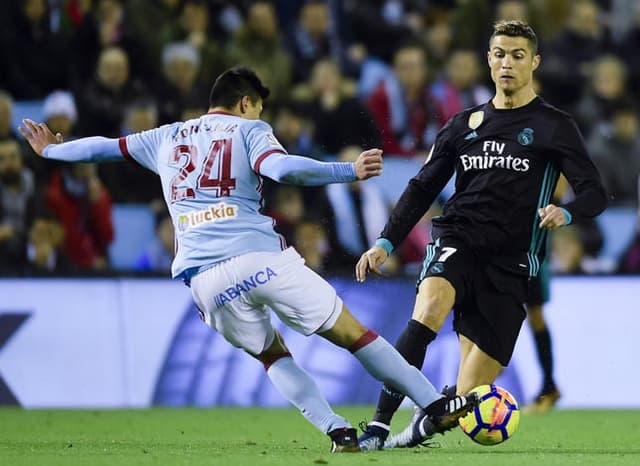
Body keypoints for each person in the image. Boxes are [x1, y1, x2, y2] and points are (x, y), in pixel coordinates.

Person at [19, 66, 477, 453]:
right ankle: (434, 404)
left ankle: (335, 429)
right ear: (244, 103)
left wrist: (52, 149)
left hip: (204, 282)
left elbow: (103, 147)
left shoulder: (165, 136)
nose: (260, 114)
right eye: (258, 106)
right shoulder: (250, 129)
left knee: (271, 355)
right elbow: (281, 169)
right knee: (354, 336)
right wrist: (346, 171)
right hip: (259, 258)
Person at [356, 20, 607, 451]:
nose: (506, 63)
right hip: (459, 238)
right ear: (489, 61)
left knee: (468, 398)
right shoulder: (461, 125)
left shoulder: (554, 126)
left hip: (511, 265)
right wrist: (385, 242)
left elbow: (595, 193)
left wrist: (566, 214)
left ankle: (419, 427)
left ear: (534, 62)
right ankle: (378, 427)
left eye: (517, 55)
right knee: (429, 308)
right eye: (499, 54)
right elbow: (422, 188)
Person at [522, 260, 561, 414]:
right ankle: (549, 386)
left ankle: (549, 386)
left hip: (531, 257)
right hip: (506, 253)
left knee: (535, 317)